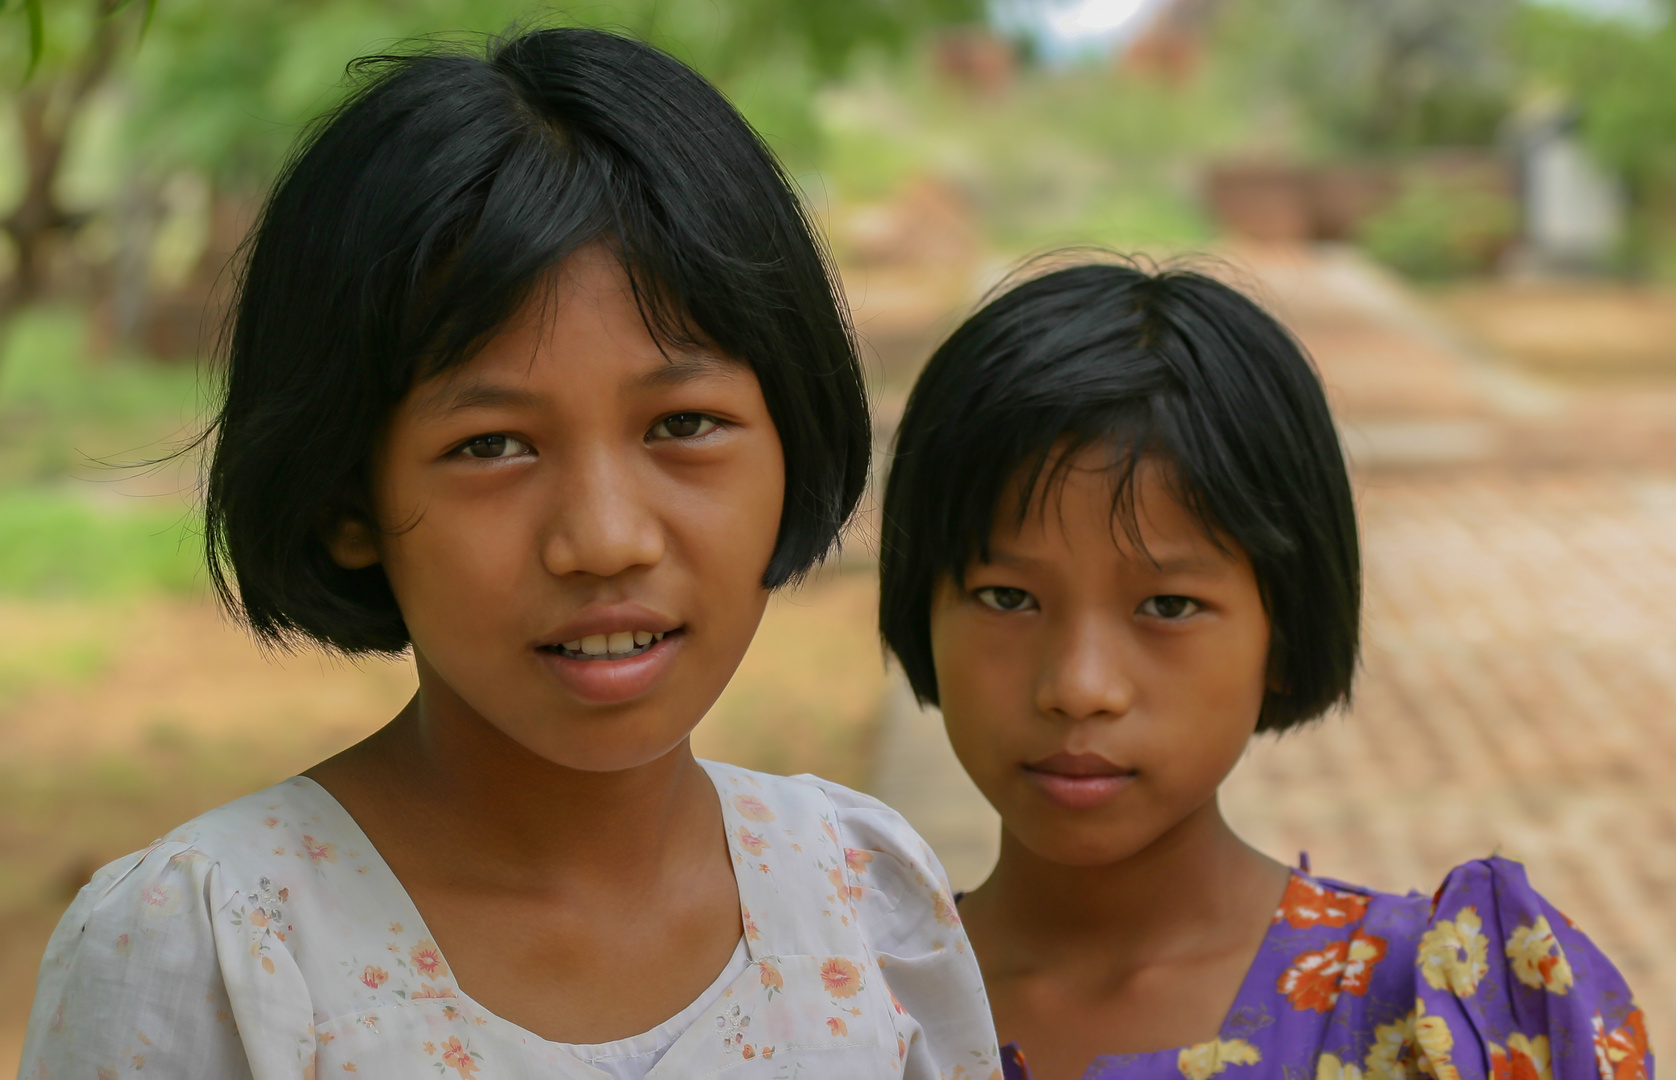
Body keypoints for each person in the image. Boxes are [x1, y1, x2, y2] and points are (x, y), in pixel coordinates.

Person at [20, 28, 999, 1080]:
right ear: (349, 495)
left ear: (793, 432)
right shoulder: (213, 951)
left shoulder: (862, 899)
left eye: (681, 425)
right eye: (491, 446)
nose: (605, 539)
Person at [877, 259, 1651, 1080]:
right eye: (1006, 597)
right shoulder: (830, 1005)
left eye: (1167, 607)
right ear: (923, 605)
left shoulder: (1446, 1019)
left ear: (1281, 630)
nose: (1078, 686)